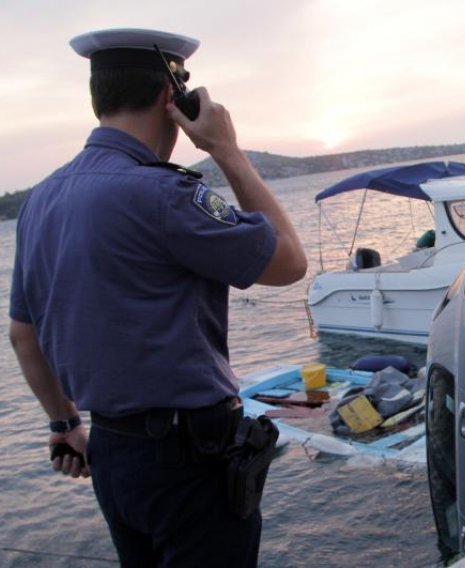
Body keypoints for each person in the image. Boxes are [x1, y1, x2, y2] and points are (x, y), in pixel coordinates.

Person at [7, 28, 307, 567]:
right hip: (187, 461)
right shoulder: (163, 193)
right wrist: (228, 151)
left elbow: (24, 334)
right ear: (174, 96)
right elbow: (288, 262)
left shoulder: (41, 200)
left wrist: (64, 423)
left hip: (114, 455)